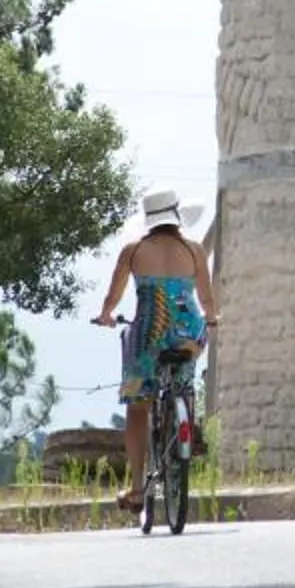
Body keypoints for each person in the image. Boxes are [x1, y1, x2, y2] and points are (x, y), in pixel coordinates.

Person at [90, 188, 214, 510]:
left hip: (149, 334)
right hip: (188, 331)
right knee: (184, 380)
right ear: (176, 216)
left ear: (149, 219)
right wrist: (212, 319)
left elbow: (112, 298)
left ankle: (136, 489)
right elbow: (207, 301)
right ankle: (185, 418)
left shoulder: (133, 251)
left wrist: (106, 316)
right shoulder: (195, 250)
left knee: (138, 406)